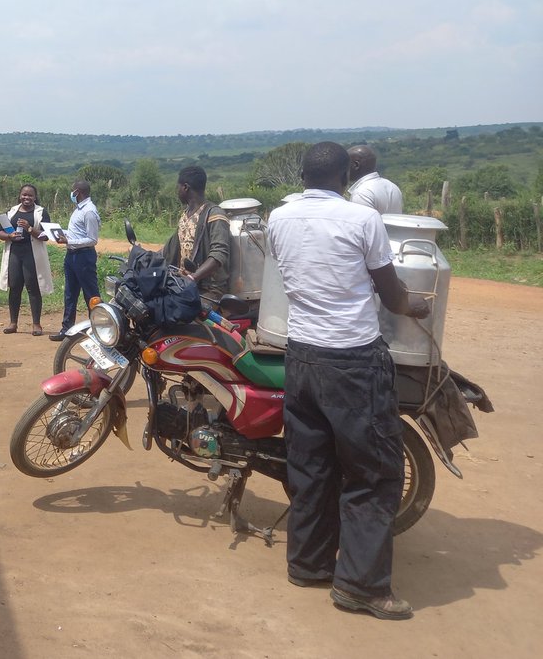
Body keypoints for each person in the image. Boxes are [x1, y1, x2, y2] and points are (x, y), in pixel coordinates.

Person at [267, 141, 430, 621]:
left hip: (301, 357)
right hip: (353, 360)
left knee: (311, 465)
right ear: (346, 176)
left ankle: (308, 564)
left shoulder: (280, 219)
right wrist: (416, 305)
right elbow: (392, 295)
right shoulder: (362, 220)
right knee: (374, 472)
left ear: (302, 176)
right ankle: (361, 587)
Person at [161, 166, 231, 300]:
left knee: (178, 313)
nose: (177, 191)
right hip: (183, 285)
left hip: (208, 289)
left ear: (185, 187)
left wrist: (193, 277)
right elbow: (169, 250)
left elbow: (219, 254)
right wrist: (143, 255)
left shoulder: (214, 214)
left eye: (178, 187)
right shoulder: (185, 215)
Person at [0, 184, 54, 336]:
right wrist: (10, 236)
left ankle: (36, 324)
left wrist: (29, 228)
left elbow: (46, 236)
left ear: (35, 197)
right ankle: (13, 323)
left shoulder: (41, 212)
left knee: (33, 287)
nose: (26, 198)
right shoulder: (12, 212)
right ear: (20, 195)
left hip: (32, 255)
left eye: (30, 195)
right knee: (14, 287)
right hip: (15, 253)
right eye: (24, 195)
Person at [49, 180, 100, 341]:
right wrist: (56, 233)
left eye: (73, 191)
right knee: (70, 293)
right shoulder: (78, 209)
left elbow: (92, 239)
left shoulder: (89, 211)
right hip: (71, 256)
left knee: (91, 294)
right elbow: (76, 233)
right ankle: (67, 329)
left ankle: (100, 329)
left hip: (84, 256)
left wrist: (68, 241)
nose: (71, 194)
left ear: (77, 192)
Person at [347, 145, 403, 215]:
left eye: (346, 164)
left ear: (356, 165)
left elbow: (363, 224)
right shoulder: (392, 186)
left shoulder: (362, 193)